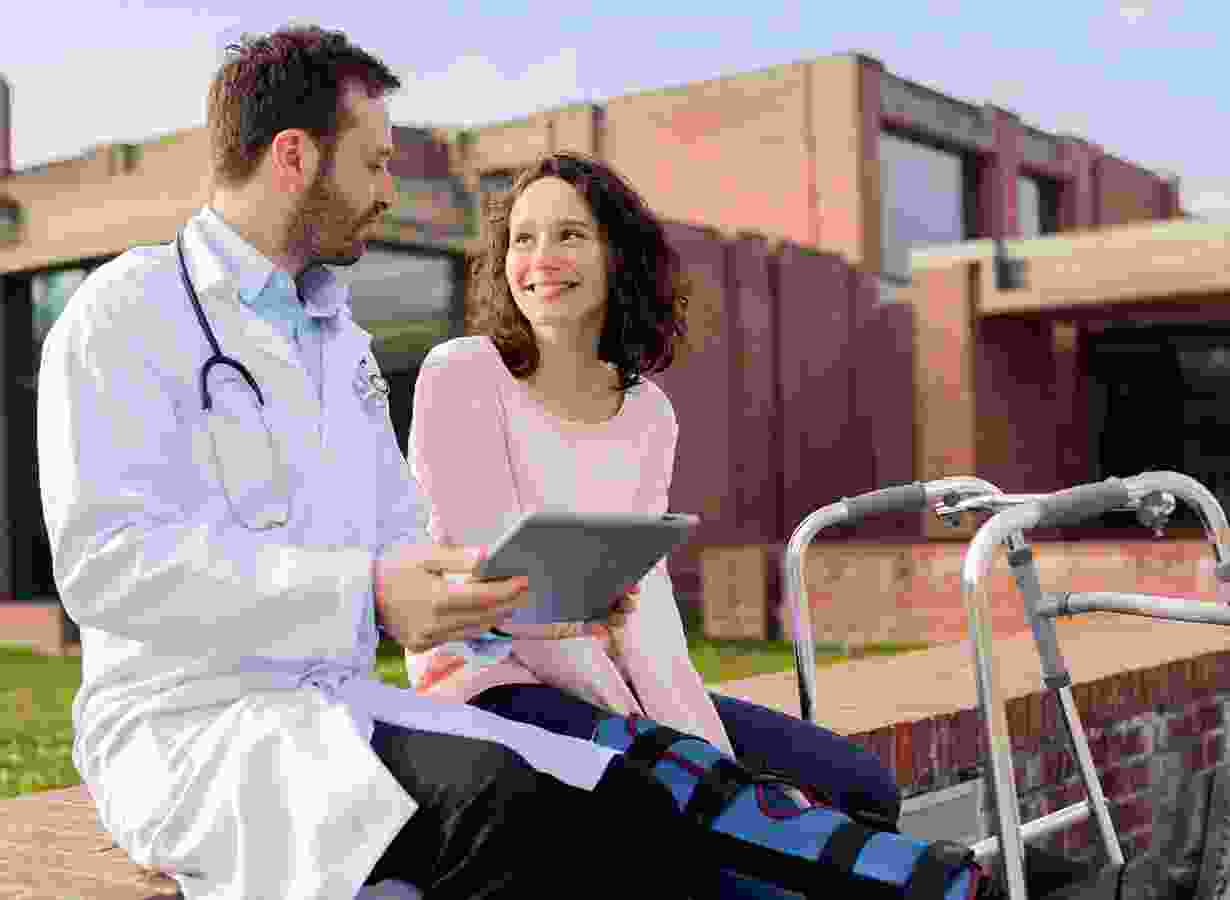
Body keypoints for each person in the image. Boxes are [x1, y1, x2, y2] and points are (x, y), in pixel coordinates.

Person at [34, 25, 697, 900]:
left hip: (338, 709)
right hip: (190, 729)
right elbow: (108, 565)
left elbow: (400, 538)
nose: (389, 191)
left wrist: (530, 595)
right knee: (503, 809)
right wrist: (365, 592)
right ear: (295, 157)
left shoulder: (338, 340)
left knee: (633, 805)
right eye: (376, 163)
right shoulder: (126, 313)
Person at [405, 151, 902, 828]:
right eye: (522, 239)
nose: (540, 259)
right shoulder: (463, 374)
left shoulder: (648, 412)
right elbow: (506, 588)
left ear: (618, 256)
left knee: (860, 787)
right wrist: (656, 736)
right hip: (494, 682)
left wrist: (695, 740)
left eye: (569, 235)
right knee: (690, 800)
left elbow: (648, 605)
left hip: (617, 687)